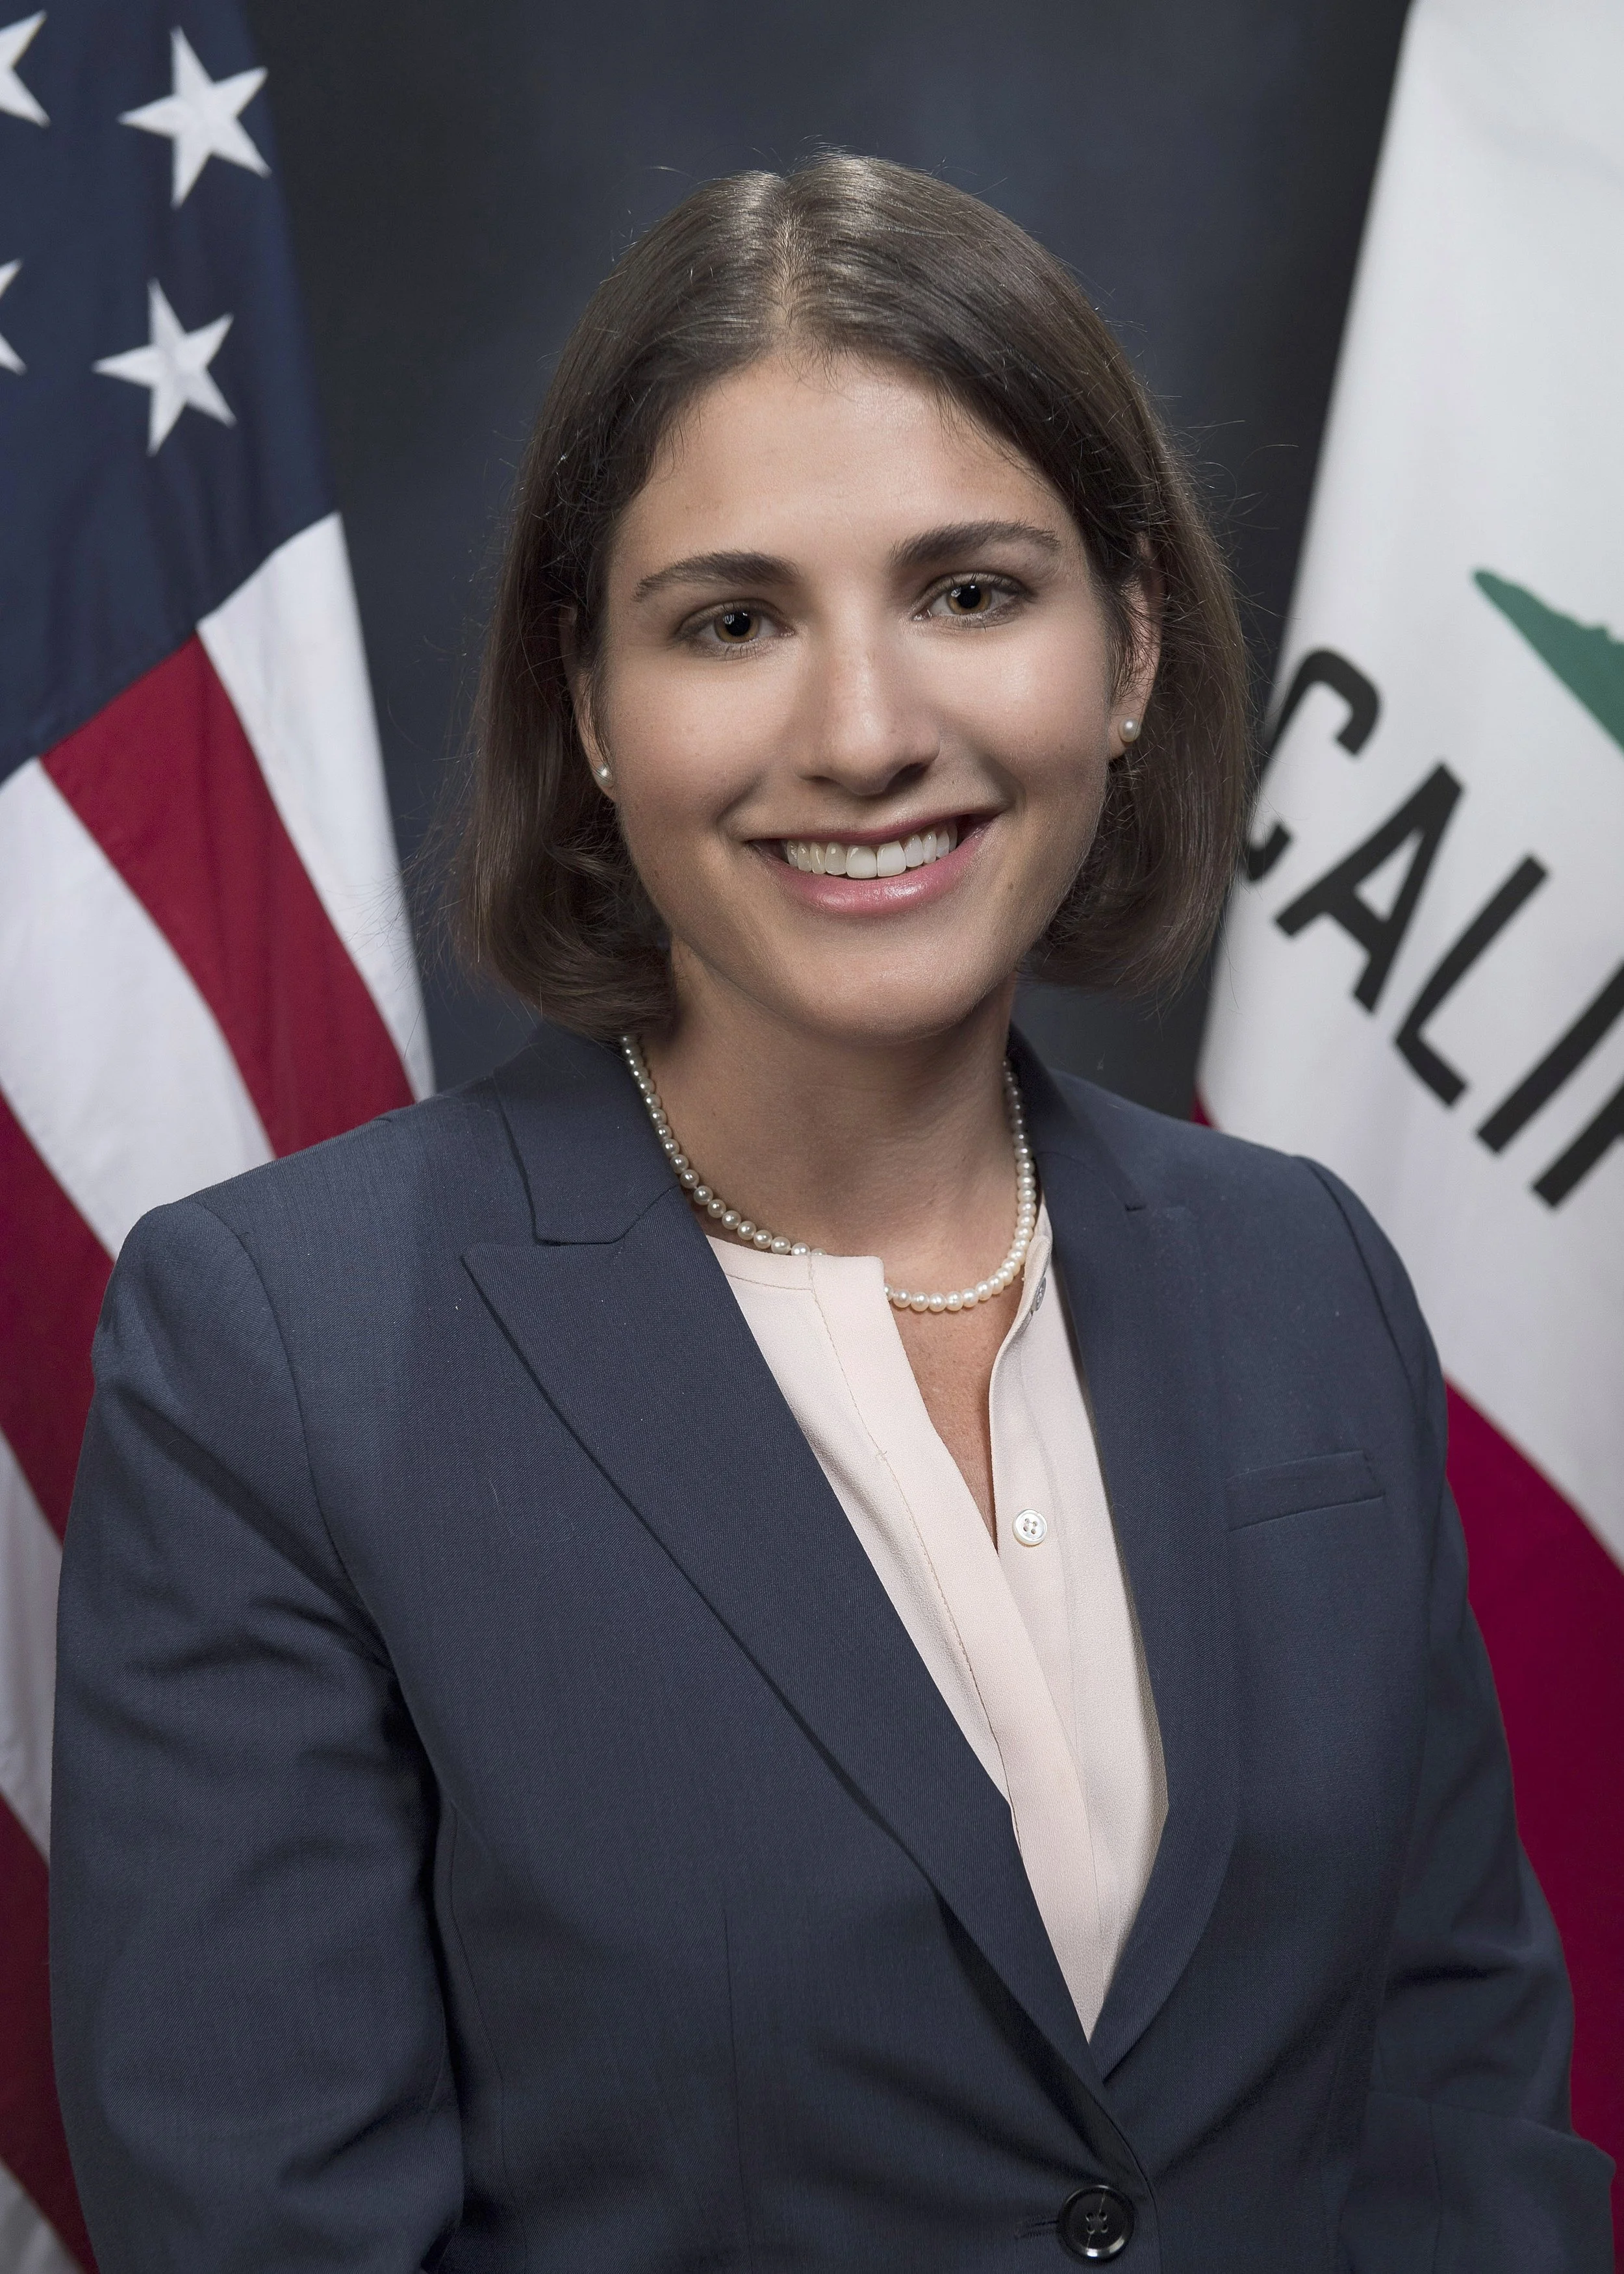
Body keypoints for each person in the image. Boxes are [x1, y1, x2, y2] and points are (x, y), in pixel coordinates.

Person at [51, 156, 1613, 2272]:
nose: (864, 734)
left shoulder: (1302, 1267)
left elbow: (1456, 2114)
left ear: (1128, 643)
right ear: (590, 705)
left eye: (971, 592)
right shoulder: (284, 1352)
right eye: (730, 621)